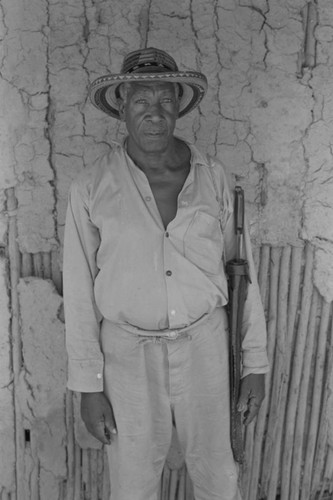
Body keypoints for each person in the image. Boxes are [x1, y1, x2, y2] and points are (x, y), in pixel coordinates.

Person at [63, 47, 269, 500]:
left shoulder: (214, 178)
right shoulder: (91, 187)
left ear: (179, 105)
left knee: (220, 476)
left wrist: (254, 364)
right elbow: (79, 293)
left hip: (207, 346)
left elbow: (243, 274)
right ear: (121, 107)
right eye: (141, 101)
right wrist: (88, 387)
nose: (153, 113)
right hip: (126, 354)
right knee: (133, 485)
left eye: (164, 100)